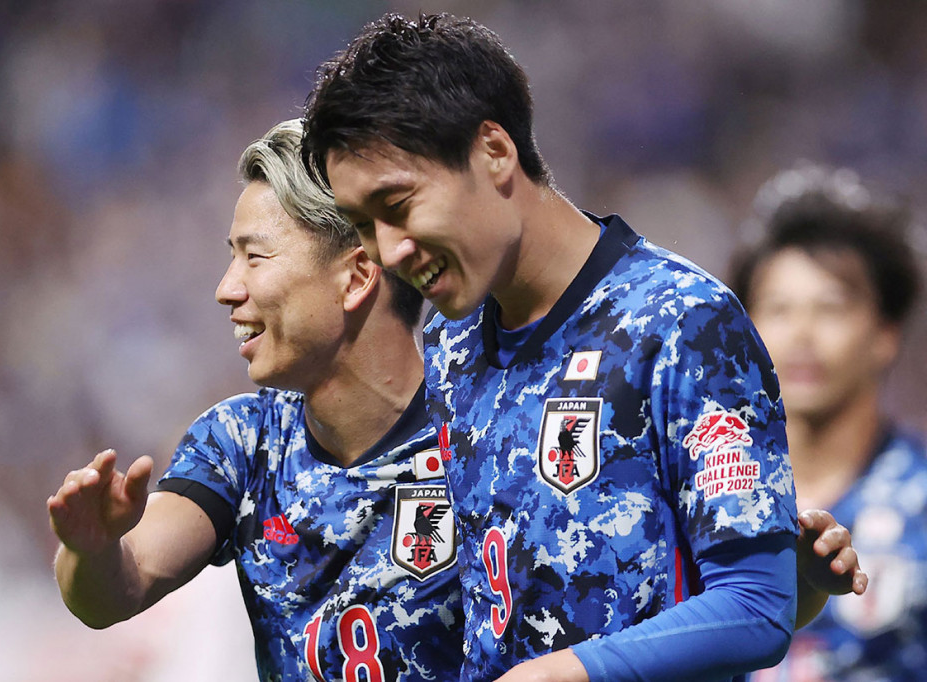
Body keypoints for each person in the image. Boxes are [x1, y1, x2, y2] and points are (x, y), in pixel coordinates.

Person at [301, 13, 865, 682]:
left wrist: (562, 673)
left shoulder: (683, 322)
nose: (388, 250)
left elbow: (756, 607)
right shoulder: (451, 343)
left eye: (398, 205)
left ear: (494, 152)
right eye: (364, 224)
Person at [47, 119, 465, 681]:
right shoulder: (242, 444)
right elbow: (120, 586)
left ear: (357, 276)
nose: (226, 288)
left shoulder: (482, 432)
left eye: (255, 257)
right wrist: (93, 550)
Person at [729, 164, 926, 682]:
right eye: (778, 308)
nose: (802, 334)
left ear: (885, 332)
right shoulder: (700, 502)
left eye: (831, 308)